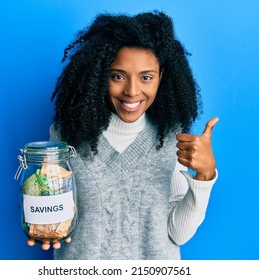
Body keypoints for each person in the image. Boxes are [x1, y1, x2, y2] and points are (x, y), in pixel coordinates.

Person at [28, 10, 219, 260]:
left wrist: (204, 176)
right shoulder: (66, 135)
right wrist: (44, 225)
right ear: (99, 76)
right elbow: (56, 209)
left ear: (161, 77)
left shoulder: (170, 138)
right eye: (117, 76)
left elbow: (179, 234)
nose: (131, 91)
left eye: (146, 78)